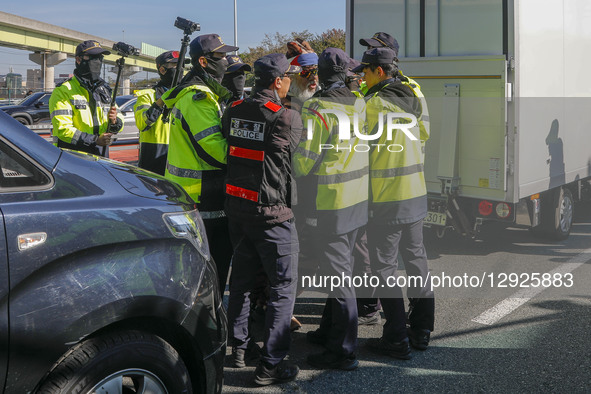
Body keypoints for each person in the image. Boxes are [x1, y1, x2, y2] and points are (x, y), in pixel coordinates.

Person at [223, 53, 302, 386]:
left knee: (239, 284)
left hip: (238, 211)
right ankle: (271, 364)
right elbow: (290, 155)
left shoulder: (234, 111)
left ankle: (239, 349)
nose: (290, 83)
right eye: (288, 78)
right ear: (277, 81)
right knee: (283, 288)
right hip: (272, 214)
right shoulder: (286, 118)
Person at [352, 46, 434, 358]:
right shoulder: (414, 95)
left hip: (385, 198)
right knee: (416, 261)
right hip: (415, 192)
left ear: (380, 71)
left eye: (366, 70)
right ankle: (422, 329)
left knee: (385, 268)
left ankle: (396, 338)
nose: (362, 75)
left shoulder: (369, 104)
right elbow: (424, 133)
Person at [294, 47, 368, 371]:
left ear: (321, 75)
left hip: (332, 202)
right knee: (341, 269)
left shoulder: (317, 109)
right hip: (357, 200)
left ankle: (344, 350)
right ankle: (329, 332)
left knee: (338, 279)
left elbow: (303, 163)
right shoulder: (360, 102)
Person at [157, 34, 237, 296]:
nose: (226, 61)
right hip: (204, 194)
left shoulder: (198, 93)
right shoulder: (198, 98)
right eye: (220, 57)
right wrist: (246, 159)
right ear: (203, 61)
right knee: (210, 267)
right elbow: (214, 150)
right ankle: (210, 327)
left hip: (194, 192)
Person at [50, 40, 123, 157]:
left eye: (100, 57)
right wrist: (95, 140)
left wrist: (115, 122)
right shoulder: (63, 90)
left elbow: (119, 118)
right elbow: (63, 130)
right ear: (78, 60)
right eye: (92, 57)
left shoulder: (104, 90)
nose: (97, 61)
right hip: (73, 158)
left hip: (102, 156)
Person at [134, 50, 179, 175]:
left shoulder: (184, 96)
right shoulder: (147, 95)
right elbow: (142, 123)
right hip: (153, 157)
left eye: (181, 65)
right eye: (174, 65)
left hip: (178, 157)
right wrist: (160, 102)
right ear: (162, 70)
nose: (179, 69)